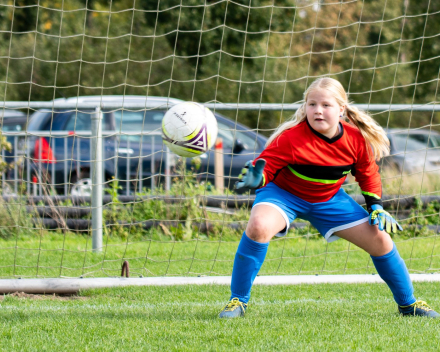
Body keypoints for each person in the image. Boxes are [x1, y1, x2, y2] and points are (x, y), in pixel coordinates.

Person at [219, 77, 439, 319]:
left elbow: (368, 174)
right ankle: (237, 301)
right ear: (305, 108)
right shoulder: (291, 138)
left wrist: (376, 207)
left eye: (326, 105)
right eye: (311, 105)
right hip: (283, 195)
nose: (318, 110)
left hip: (329, 199)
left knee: (381, 240)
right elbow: (266, 169)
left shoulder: (356, 139)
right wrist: (256, 180)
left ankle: (408, 305)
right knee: (258, 226)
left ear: (341, 109)